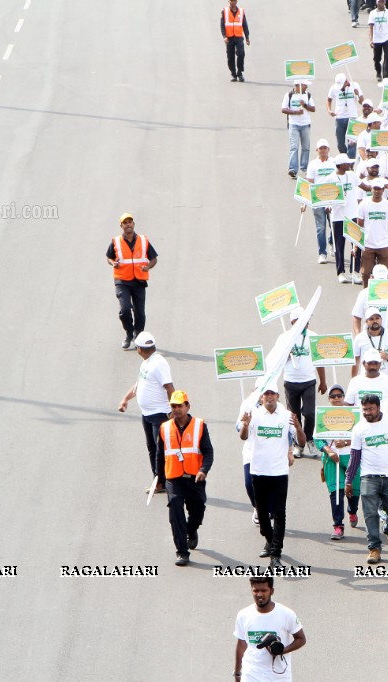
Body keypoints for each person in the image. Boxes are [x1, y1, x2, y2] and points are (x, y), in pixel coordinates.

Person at [239, 385, 303, 569]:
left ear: (277, 396)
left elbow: (301, 441)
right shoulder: (254, 415)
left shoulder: (286, 416)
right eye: (265, 394)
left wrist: (298, 428)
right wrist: (245, 424)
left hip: (279, 472)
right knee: (263, 516)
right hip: (258, 471)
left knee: (280, 513)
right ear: (261, 398)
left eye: (272, 394)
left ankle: (276, 553)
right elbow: (243, 437)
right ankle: (269, 538)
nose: (269, 397)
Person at [345, 394, 388, 563]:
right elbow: (355, 457)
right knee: (370, 514)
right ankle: (374, 548)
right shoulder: (359, 429)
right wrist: (348, 480)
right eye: (365, 409)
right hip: (368, 477)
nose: (367, 412)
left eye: (371, 409)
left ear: (378, 407)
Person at [156, 391, 213, 566]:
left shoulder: (199, 426)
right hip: (173, 478)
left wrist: (204, 470)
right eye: (174, 406)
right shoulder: (164, 428)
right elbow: (160, 454)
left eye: (180, 405)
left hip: (195, 478)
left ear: (188, 406)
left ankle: (192, 529)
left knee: (197, 511)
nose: (177, 409)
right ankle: (182, 551)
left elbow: (208, 451)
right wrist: (159, 477)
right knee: (175, 512)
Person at [118, 332, 174, 494]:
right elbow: (139, 383)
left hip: (160, 415)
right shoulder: (147, 363)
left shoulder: (158, 364)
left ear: (140, 349)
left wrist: (173, 412)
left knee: (160, 450)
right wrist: (125, 399)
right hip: (147, 414)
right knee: (152, 448)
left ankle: (165, 481)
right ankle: (159, 482)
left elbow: (170, 388)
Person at [233, 577, 306, 681]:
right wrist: (237, 673)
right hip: (251, 675)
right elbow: (241, 644)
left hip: (278, 677)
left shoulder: (286, 614)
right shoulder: (243, 615)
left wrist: (282, 651)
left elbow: (301, 639)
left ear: (272, 591)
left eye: (264, 590)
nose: (259, 595)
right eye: (255, 590)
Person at [315, 385, 361, 540]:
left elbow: (361, 436)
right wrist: (329, 451)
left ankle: (352, 510)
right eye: (333, 396)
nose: (336, 399)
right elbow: (317, 438)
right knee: (336, 493)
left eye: (339, 396)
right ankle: (338, 526)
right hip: (331, 459)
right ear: (329, 399)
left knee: (354, 491)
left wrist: (347, 443)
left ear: (343, 397)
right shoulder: (322, 415)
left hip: (350, 457)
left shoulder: (353, 414)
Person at [106, 213, 158, 350]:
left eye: (130, 222)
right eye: (125, 222)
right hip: (122, 280)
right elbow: (109, 257)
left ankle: (138, 335)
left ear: (133, 224)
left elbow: (154, 258)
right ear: (121, 226)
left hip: (139, 280)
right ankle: (129, 333)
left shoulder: (143, 240)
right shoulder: (116, 241)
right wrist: (113, 263)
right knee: (124, 310)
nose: (128, 224)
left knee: (140, 312)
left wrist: (148, 266)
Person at [282, 308, 327, 457]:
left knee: (309, 412)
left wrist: (323, 381)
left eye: (307, 320)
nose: (305, 323)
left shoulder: (314, 337)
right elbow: (277, 361)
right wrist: (286, 354)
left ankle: (309, 439)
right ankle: (298, 444)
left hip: (308, 381)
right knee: (293, 416)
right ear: (293, 322)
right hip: (291, 381)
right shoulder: (285, 337)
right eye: (301, 320)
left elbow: (319, 360)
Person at [356, 178, 388, 286]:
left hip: (384, 244)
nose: (377, 191)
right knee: (365, 273)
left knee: (383, 275)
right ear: (371, 189)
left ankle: (380, 299)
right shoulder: (363, 204)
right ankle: (366, 294)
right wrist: (355, 246)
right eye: (375, 189)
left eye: (379, 189)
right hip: (368, 244)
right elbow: (359, 226)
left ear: (383, 190)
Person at [329, 155, 363, 283]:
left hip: (353, 215)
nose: (349, 164)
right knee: (339, 245)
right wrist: (327, 206)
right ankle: (341, 272)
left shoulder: (352, 175)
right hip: (338, 217)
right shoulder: (330, 178)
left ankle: (355, 272)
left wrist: (379, 187)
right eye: (346, 163)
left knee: (356, 244)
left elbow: (364, 186)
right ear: (340, 165)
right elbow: (323, 196)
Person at [305, 140, 338, 264]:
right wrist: (305, 202)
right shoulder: (312, 164)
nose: (323, 150)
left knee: (334, 225)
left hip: (332, 198)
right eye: (321, 148)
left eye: (325, 148)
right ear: (317, 150)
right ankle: (322, 253)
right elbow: (309, 183)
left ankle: (331, 242)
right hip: (318, 200)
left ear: (328, 149)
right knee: (320, 228)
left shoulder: (334, 162)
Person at [353, 307, 388, 380]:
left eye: (377, 318)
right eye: (371, 319)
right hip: (366, 381)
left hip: (386, 380)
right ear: (366, 322)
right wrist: (353, 381)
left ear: (381, 319)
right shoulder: (359, 338)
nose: (375, 321)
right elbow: (355, 362)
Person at [281, 81, 315, 179]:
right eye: (305, 85)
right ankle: (292, 169)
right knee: (294, 147)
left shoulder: (307, 95)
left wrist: (304, 105)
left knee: (306, 147)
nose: (307, 87)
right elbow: (283, 109)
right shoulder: (289, 95)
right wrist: (296, 112)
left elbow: (313, 108)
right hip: (294, 124)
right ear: (298, 86)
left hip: (306, 124)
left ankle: (304, 168)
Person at [327, 75, 363, 154]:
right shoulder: (334, 88)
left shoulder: (355, 85)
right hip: (339, 118)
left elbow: (362, 102)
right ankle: (345, 160)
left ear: (346, 81)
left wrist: (357, 94)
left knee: (352, 143)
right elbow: (328, 100)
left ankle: (351, 163)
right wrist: (329, 110)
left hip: (352, 118)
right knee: (340, 144)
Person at [368, 0, 388, 81]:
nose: (381, 4)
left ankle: (385, 75)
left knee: (387, 57)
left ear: (384, 2)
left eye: (382, 2)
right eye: (379, 2)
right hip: (377, 39)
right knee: (376, 58)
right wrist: (371, 40)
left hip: (387, 38)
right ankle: (378, 72)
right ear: (377, 3)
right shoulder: (372, 13)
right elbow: (370, 27)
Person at [221, 1, 251, 82]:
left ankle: (240, 72)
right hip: (229, 38)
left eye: (234, 0)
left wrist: (247, 37)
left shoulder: (241, 11)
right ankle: (233, 74)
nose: (232, 2)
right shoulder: (225, 11)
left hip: (238, 37)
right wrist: (224, 36)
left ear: (236, 1)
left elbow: (244, 24)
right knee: (230, 57)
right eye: (231, 0)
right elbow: (222, 25)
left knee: (241, 54)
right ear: (228, 1)